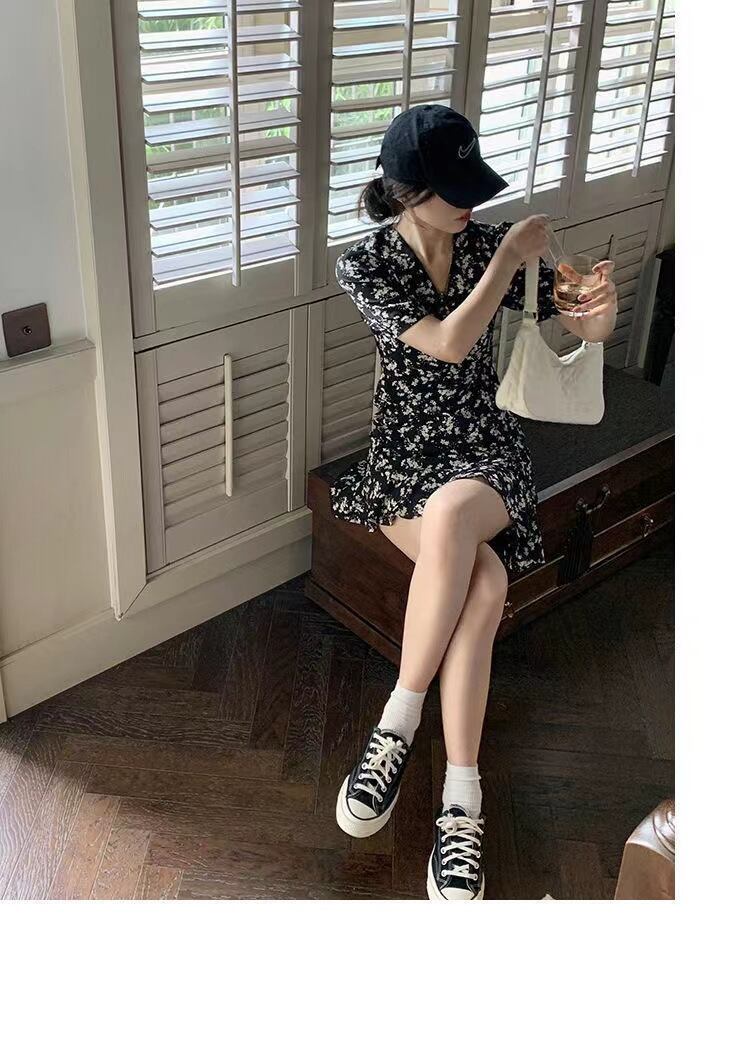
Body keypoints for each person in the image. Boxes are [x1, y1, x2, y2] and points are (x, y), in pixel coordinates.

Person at [330, 105, 618, 900]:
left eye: (472, 187)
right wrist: (509, 259)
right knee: (484, 584)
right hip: (400, 460)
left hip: (485, 453)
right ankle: (463, 801)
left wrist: (599, 310)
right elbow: (449, 341)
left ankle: (396, 723)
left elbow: (586, 331)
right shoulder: (366, 266)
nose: (471, 205)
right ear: (405, 191)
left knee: (457, 517)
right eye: (453, 190)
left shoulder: (490, 247)